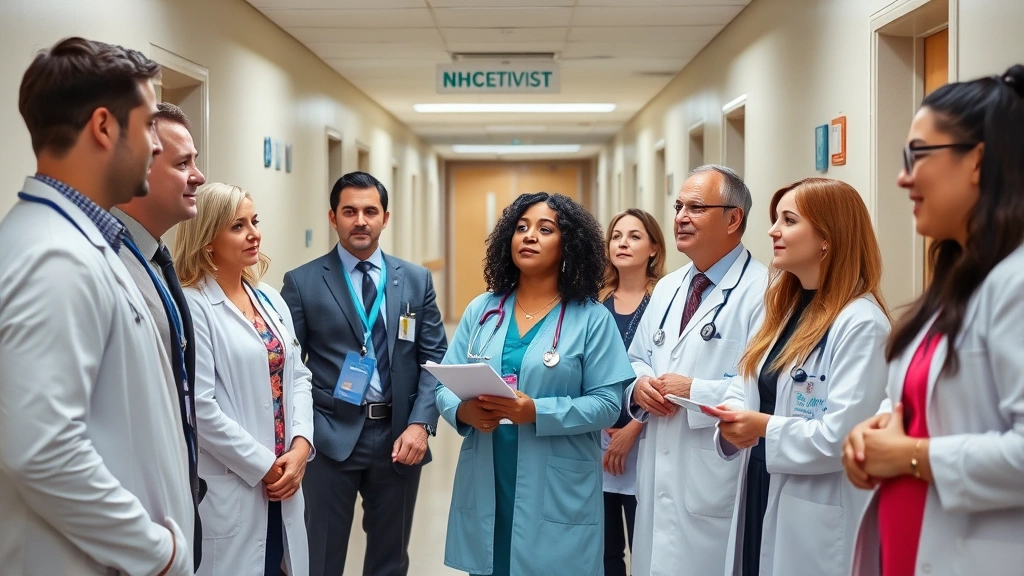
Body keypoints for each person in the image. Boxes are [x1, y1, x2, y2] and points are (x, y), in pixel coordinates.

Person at [0, 37, 193, 575]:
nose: (157, 146)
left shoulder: (83, 241)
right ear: (105, 127)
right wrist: (157, 553)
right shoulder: (53, 257)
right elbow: (42, 450)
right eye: (149, 124)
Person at [844, 65, 1024, 576]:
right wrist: (873, 432)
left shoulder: (1016, 283)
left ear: (978, 161)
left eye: (918, 155)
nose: (903, 176)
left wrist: (910, 456)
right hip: (911, 545)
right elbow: (923, 406)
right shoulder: (959, 282)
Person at [436, 192, 635, 576]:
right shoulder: (483, 310)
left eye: (545, 229)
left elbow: (608, 404)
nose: (529, 236)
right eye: (521, 228)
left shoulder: (591, 318)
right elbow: (443, 384)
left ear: (568, 245)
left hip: (555, 482)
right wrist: (463, 410)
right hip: (490, 475)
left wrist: (536, 411)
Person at [712, 178, 890, 576]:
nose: (773, 230)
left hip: (813, 504)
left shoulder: (861, 323)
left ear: (827, 238)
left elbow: (843, 438)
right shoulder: (783, 309)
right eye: (776, 219)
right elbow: (752, 389)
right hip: (759, 481)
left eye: (788, 220)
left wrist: (762, 428)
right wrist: (734, 420)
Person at [281, 171, 447, 576]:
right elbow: (287, 366)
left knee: (390, 561)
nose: (360, 220)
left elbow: (435, 358)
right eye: (349, 211)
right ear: (332, 217)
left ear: (385, 218)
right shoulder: (302, 283)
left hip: (399, 437)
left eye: (370, 211)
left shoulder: (415, 279)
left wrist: (421, 425)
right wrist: (301, 434)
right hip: (330, 438)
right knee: (320, 556)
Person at [627, 165, 768, 576]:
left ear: (733, 219)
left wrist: (695, 390)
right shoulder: (669, 287)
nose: (680, 217)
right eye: (678, 206)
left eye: (696, 207)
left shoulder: (766, 289)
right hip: (659, 467)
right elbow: (636, 358)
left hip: (717, 473)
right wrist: (639, 386)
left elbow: (761, 388)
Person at [175, 183, 314, 576]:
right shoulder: (193, 305)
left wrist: (301, 446)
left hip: (284, 478)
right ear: (207, 239)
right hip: (239, 484)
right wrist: (264, 465)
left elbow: (298, 374)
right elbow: (198, 407)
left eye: (254, 221)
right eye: (238, 226)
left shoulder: (269, 298)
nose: (254, 233)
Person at [112, 101, 207, 572]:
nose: (199, 176)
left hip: (173, 502)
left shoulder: (152, 257)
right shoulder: (105, 264)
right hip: (133, 527)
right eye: (183, 163)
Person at [599, 209, 666, 576]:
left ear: (654, 247)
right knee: (604, 550)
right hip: (597, 439)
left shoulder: (665, 301)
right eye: (617, 236)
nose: (622, 243)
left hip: (646, 438)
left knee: (644, 546)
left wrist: (631, 429)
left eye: (635, 236)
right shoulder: (594, 303)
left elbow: (666, 378)